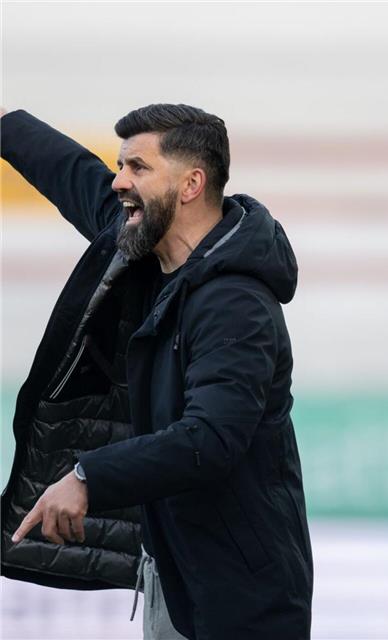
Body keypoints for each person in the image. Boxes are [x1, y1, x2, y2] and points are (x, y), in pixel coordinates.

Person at [0, 105, 312, 639]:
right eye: (121, 166)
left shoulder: (235, 302)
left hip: (240, 597)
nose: (119, 181)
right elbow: (70, 172)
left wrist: (87, 476)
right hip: (175, 574)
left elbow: (211, 438)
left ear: (191, 184)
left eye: (137, 168)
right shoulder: (146, 252)